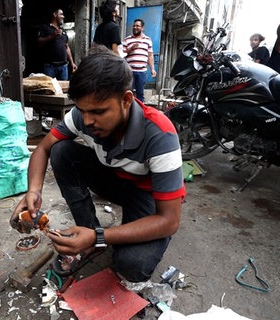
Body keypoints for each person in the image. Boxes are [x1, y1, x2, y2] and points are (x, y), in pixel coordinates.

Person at [10, 47, 185, 282]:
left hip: (147, 195)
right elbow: (43, 147)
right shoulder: (83, 116)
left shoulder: (160, 135)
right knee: (62, 150)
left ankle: (94, 237)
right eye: (83, 111)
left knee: (132, 266)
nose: (88, 120)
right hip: (115, 179)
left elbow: (169, 221)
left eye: (98, 112)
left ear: (126, 100)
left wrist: (100, 235)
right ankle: (89, 233)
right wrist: (33, 190)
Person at [122, 19, 156, 103]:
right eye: (134, 26)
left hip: (142, 72)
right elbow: (122, 54)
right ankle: (127, 113)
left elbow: (150, 55)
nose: (135, 27)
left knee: (140, 94)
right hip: (129, 71)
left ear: (142, 28)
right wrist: (131, 49)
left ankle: (140, 113)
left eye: (137, 26)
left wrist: (152, 69)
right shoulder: (127, 39)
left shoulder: (148, 40)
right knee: (127, 93)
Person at [37, 8, 77, 81]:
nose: (63, 17)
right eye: (61, 14)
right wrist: (52, 36)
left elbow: (67, 47)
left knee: (63, 90)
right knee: (49, 90)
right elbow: (39, 42)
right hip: (50, 67)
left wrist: (72, 63)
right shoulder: (46, 28)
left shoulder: (63, 31)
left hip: (63, 67)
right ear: (55, 14)